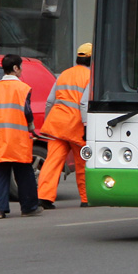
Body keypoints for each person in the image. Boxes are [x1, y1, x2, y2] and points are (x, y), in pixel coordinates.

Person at [0, 54, 43, 219]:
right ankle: (29, 207)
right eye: (21, 67)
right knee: (24, 173)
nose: (21, 70)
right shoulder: (23, 88)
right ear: (16, 68)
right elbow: (27, 112)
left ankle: (0, 210)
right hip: (18, 138)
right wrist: (32, 128)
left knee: (0, 174)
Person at [37, 43, 92, 209]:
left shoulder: (64, 74)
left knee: (52, 162)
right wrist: (86, 126)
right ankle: (86, 198)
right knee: (82, 162)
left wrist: (49, 122)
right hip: (76, 126)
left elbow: (49, 101)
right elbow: (84, 103)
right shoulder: (91, 76)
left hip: (57, 124)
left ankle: (44, 197)